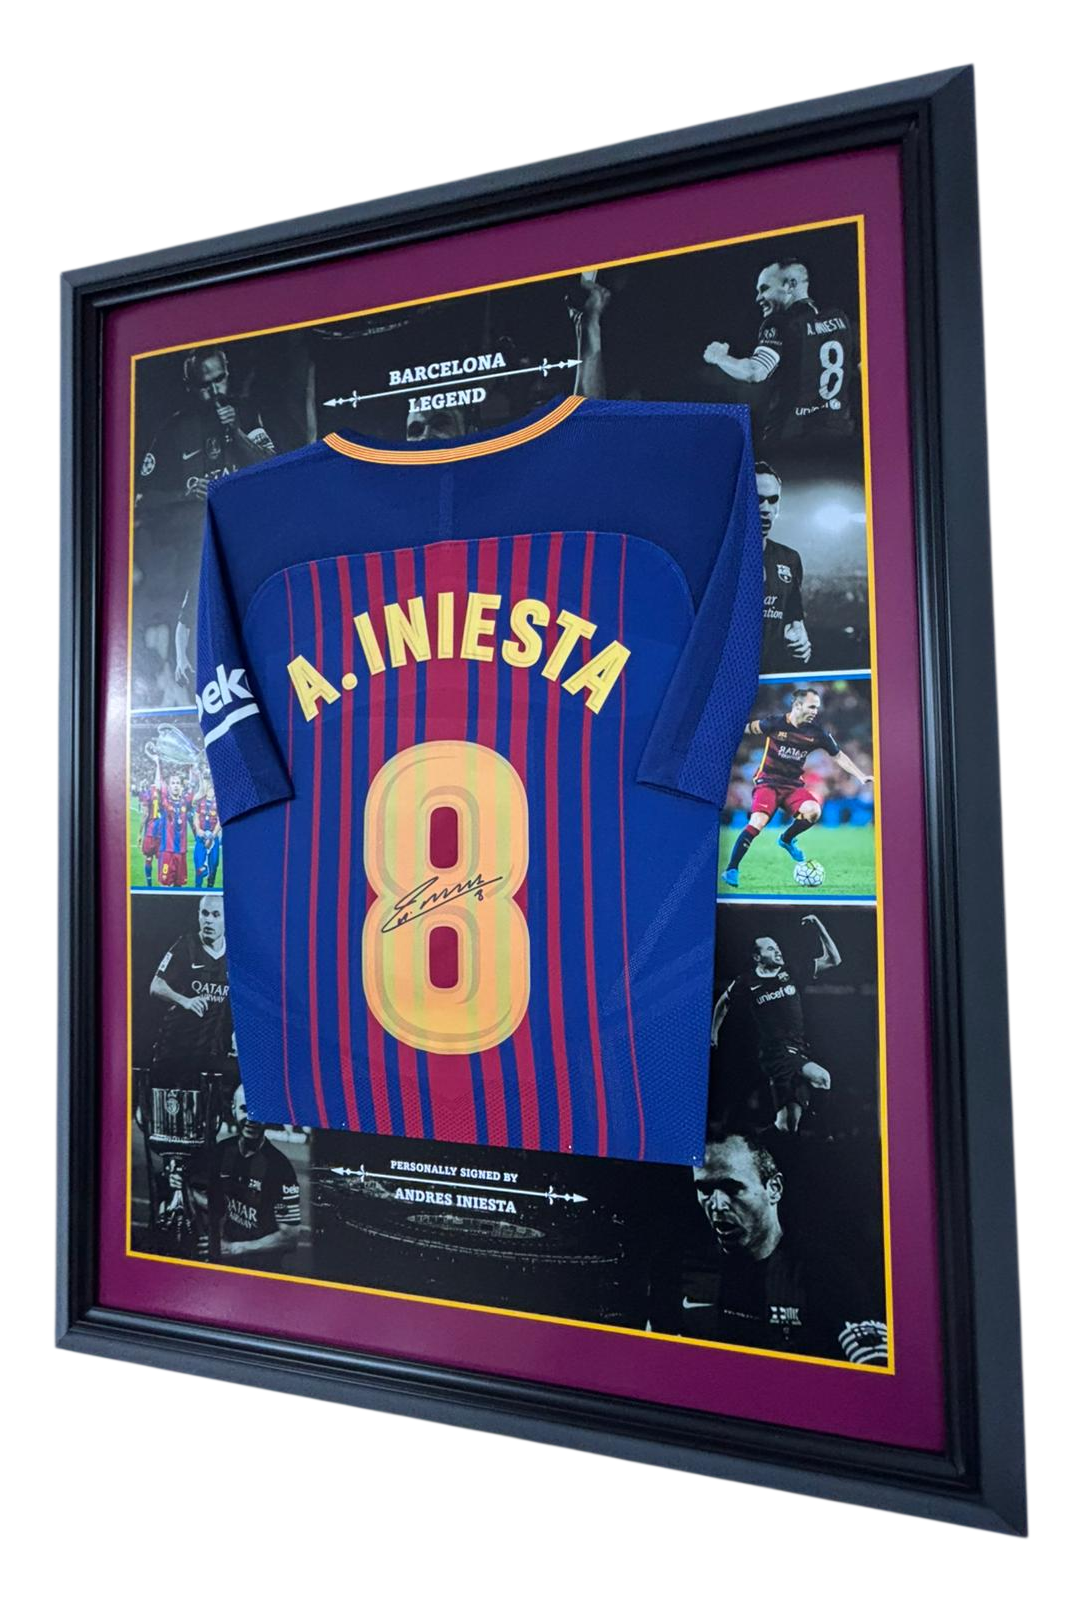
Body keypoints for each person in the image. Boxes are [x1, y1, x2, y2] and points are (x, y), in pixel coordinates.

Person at [657, 1133, 887, 1362]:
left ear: (774, 1188)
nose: (717, 1205)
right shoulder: (679, 1268)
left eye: (732, 1188)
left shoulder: (825, 1273)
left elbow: (874, 1368)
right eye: (705, 1190)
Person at [722, 687, 872, 886]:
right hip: (768, 783)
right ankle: (732, 869)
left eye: (817, 707)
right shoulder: (774, 723)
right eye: (811, 707)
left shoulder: (817, 732)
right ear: (798, 705)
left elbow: (838, 756)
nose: (815, 711)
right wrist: (722, 727)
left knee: (814, 810)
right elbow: (747, 728)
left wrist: (860, 775)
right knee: (758, 821)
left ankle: (786, 839)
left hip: (792, 786)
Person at [702, 258, 856, 447]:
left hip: (790, 441)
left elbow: (755, 371)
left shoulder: (780, 322)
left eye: (764, 289)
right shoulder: (840, 319)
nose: (758, 298)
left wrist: (719, 357)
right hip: (840, 439)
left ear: (790, 285)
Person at [712, 915, 839, 1133]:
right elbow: (724, 1002)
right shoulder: (746, 981)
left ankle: (752, 1143)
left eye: (778, 948)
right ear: (757, 957)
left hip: (798, 1048)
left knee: (786, 1125)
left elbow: (834, 960)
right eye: (771, 949)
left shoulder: (792, 971)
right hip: (776, 1052)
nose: (778, 951)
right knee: (822, 1077)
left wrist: (819, 926)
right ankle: (821, 1133)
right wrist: (713, 1033)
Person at [137, 346, 276, 508]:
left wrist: (237, 432)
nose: (215, 391)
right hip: (199, 520)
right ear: (190, 386)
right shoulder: (174, 429)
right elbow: (141, 499)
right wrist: (186, 495)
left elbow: (272, 470)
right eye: (204, 385)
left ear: (227, 373)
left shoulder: (246, 412)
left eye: (219, 379)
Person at [205, 1085, 302, 1269]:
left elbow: (289, 1237)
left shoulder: (280, 1167)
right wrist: (183, 1185)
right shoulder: (222, 1151)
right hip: (227, 1263)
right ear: (233, 1109)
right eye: (245, 1109)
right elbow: (214, 1205)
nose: (252, 1118)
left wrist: (236, 1248)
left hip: (263, 1269)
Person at [148, 895, 233, 1089]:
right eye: (205, 913)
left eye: (216, 915)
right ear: (198, 915)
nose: (208, 920)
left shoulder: (235, 954)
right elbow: (156, 986)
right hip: (176, 1049)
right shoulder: (186, 945)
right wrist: (185, 1001)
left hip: (212, 1052)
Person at [756, 461, 811, 671]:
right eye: (758, 500)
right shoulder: (723, 558)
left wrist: (800, 639)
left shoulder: (789, 559)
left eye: (773, 500)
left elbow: (794, 618)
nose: (766, 509)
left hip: (772, 675)